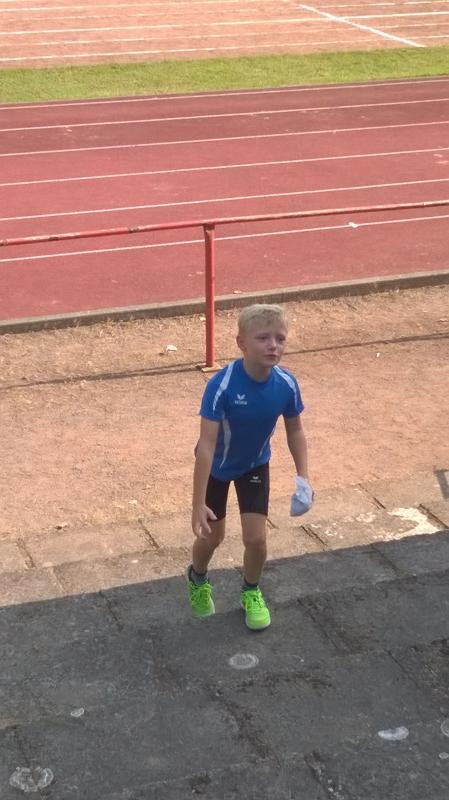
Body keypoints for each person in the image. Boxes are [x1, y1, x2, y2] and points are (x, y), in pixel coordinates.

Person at [187, 303, 311, 631]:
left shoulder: (286, 383)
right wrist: (197, 503)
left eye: (280, 339)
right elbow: (206, 446)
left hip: (255, 464)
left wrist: (304, 478)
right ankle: (197, 578)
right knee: (212, 538)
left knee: (256, 539)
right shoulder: (222, 386)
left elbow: (295, 431)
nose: (273, 346)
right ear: (241, 343)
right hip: (216, 468)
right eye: (263, 338)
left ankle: (251, 590)